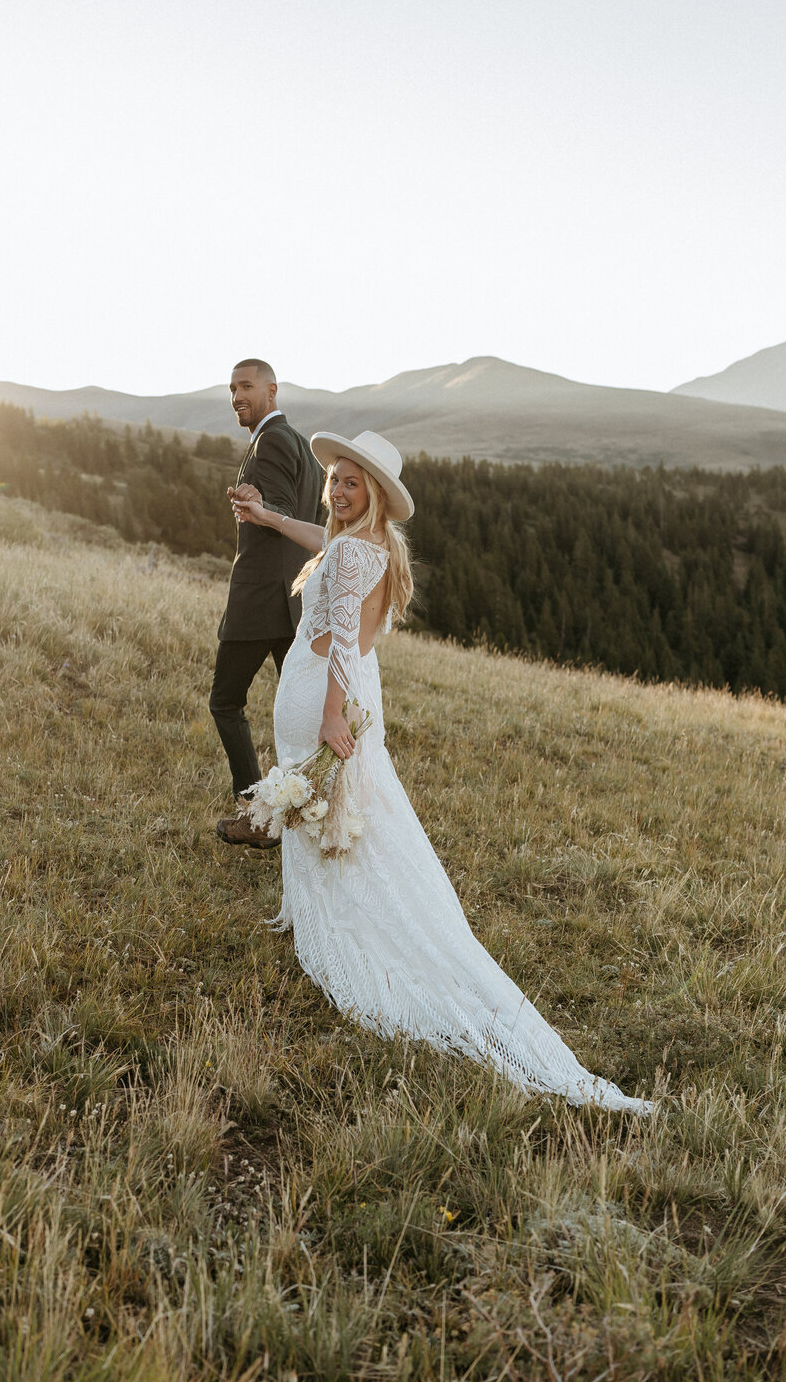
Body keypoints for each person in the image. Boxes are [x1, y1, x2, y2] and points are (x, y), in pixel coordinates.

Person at [231, 429, 651, 1114]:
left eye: (350, 484)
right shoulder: (369, 548)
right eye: (333, 479)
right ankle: (323, 908)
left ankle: (350, 929)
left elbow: (339, 637)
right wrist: (274, 519)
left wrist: (333, 715)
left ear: (374, 496)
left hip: (323, 696)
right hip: (329, 689)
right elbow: (330, 561)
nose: (337, 491)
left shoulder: (354, 551)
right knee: (342, 811)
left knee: (335, 808)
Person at [212, 360, 323, 846]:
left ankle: (258, 816)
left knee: (225, 701)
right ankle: (311, 808)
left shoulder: (272, 441)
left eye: (247, 386)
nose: (237, 395)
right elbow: (311, 511)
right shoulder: (298, 441)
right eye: (232, 387)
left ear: (271, 390)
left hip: (261, 600)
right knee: (298, 711)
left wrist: (261, 508)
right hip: (291, 598)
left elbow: (278, 508)